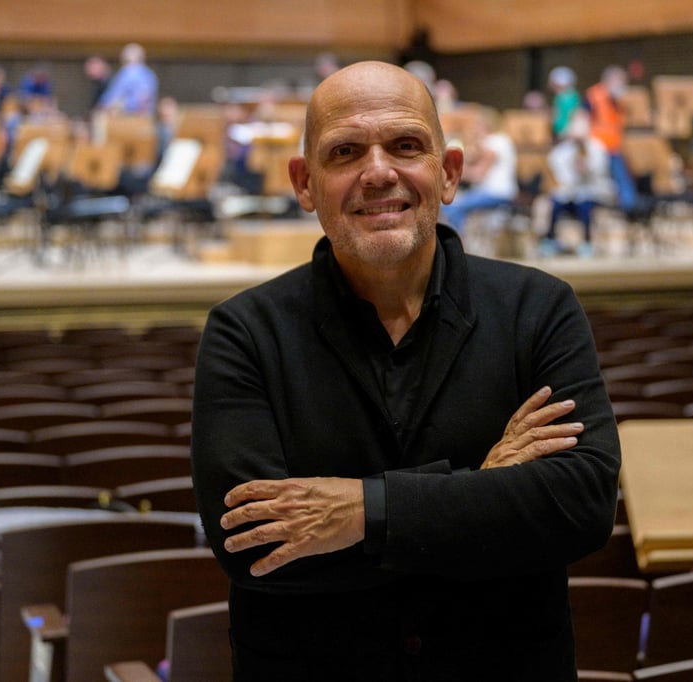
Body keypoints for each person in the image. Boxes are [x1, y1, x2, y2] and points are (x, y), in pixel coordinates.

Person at [190, 60, 620, 681]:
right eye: (345, 152)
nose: (378, 172)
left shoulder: (541, 308)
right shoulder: (244, 333)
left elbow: (579, 505)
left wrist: (362, 510)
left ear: (448, 174)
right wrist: (483, 489)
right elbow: (255, 545)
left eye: (406, 145)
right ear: (305, 184)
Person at [543, 109, 615, 257]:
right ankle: (550, 241)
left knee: (585, 206)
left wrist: (586, 167)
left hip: (592, 192)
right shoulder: (563, 149)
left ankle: (587, 243)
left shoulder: (596, 146)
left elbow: (600, 170)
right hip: (569, 193)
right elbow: (556, 168)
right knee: (556, 205)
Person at [439, 106, 519, 234]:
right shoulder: (501, 140)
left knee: (452, 206)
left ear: (485, 125)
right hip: (500, 191)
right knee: (452, 203)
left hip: (495, 192)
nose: (474, 129)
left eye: (476, 125)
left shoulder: (495, 142)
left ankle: (458, 243)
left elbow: (478, 175)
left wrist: (452, 172)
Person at [584, 65, 637, 212]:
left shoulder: (617, 99)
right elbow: (583, 118)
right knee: (599, 181)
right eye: (620, 81)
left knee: (622, 180)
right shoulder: (595, 95)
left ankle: (628, 210)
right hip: (597, 146)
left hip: (613, 146)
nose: (623, 85)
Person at [97, 42, 158, 115]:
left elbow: (114, 96)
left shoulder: (127, 72)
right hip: (145, 118)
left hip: (126, 116)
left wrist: (104, 104)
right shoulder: (150, 75)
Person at [548, 66, 581, 139]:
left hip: (569, 135)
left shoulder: (568, 97)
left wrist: (573, 130)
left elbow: (575, 114)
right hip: (561, 133)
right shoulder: (560, 97)